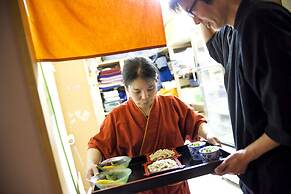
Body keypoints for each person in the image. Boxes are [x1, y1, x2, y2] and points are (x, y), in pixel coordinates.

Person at [168, 0, 291, 194]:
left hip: (282, 176)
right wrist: (199, 16)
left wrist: (245, 155)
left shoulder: (262, 22)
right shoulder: (233, 32)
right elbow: (212, 45)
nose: (196, 21)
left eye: (192, 12)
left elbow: (286, 119)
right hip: (259, 177)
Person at [86, 57, 220, 194]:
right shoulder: (116, 116)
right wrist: (91, 163)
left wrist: (208, 134)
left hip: (175, 183)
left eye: (150, 88)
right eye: (137, 91)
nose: (145, 96)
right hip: (140, 188)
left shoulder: (171, 104)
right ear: (126, 89)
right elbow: (97, 145)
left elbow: (196, 122)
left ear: (157, 82)